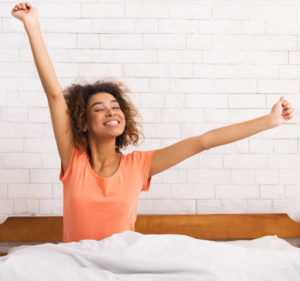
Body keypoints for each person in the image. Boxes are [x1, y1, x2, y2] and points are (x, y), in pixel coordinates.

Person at [11, 2, 294, 243]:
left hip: (123, 263)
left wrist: (269, 121)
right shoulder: (74, 160)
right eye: (99, 109)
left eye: (116, 106)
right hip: (78, 265)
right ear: (83, 123)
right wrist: (32, 25)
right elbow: (54, 95)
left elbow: (203, 142)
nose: (112, 112)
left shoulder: (138, 166)